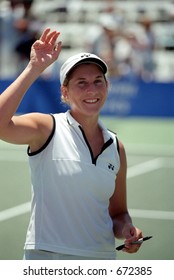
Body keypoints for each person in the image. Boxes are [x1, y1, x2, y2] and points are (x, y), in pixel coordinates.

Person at [0, 28, 143, 260]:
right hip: (47, 259)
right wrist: (34, 68)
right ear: (64, 93)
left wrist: (128, 229)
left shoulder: (116, 146)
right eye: (81, 83)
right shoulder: (46, 128)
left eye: (98, 81)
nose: (92, 89)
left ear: (107, 87)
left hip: (101, 261)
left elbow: (118, 213)